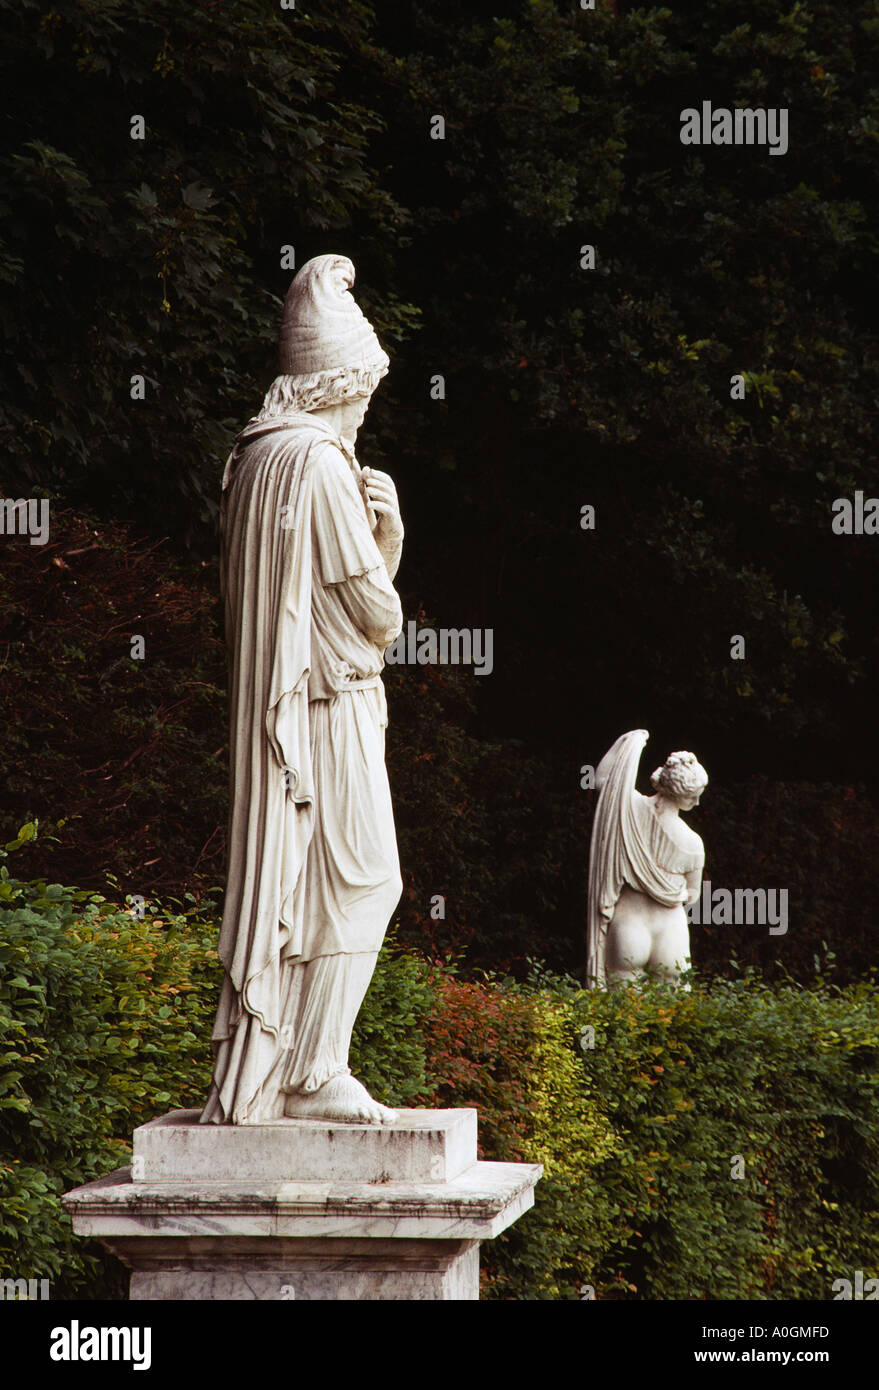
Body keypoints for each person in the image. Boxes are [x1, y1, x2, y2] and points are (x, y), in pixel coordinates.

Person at [201, 254, 405, 1124]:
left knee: (320, 886)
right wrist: (390, 541)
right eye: (362, 396)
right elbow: (376, 612)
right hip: (328, 707)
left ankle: (296, 1066)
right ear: (335, 387)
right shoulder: (317, 465)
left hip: (288, 712)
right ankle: (313, 1072)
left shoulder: (251, 461)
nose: (365, 413)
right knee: (366, 882)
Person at [586, 730, 707, 988]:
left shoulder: (626, 809)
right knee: (673, 1016)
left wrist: (629, 743)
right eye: (693, 795)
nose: (697, 802)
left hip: (628, 926)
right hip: (669, 931)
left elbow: (601, 780)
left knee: (620, 1013)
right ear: (681, 794)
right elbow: (693, 895)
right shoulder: (693, 843)